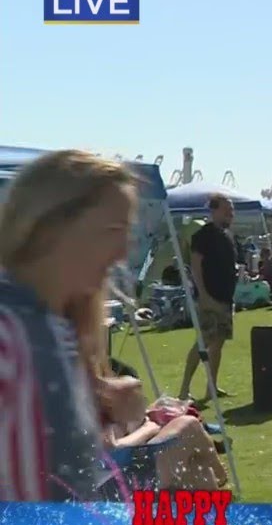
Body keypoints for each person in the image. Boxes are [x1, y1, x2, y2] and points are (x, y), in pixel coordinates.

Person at [0, 149, 153, 501]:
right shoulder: (8, 333)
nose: (122, 253)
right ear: (51, 228)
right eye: (112, 230)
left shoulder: (57, 331)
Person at [178, 194, 239, 400]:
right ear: (214, 210)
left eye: (232, 210)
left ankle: (211, 388)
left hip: (225, 299)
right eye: (226, 209)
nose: (231, 213)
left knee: (219, 342)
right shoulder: (203, 235)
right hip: (209, 298)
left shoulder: (227, 236)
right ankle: (184, 389)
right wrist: (203, 295)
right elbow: (195, 267)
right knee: (203, 341)